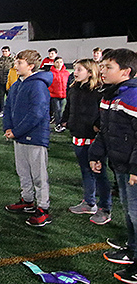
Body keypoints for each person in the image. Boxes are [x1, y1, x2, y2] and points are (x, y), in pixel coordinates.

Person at [88, 48, 137, 282]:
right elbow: (106, 132)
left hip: (132, 168)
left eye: (109, 67)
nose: (102, 71)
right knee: (129, 212)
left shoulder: (133, 96)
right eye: (103, 66)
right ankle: (133, 250)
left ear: (126, 72)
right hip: (121, 165)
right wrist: (96, 154)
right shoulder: (111, 94)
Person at [3, 49, 53, 227]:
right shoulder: (17, 84)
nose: (15, 65)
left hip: (35, 137)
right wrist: (8, 127)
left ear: (31, 66)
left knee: (39, 175)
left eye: (19, 62)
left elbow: (37, 113)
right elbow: (7, 107)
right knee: (22, 171)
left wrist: (16, 131)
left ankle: (43, 209)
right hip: (19, 135)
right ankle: (28, 200)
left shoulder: (38, 84)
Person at [60, 58, 111, 225]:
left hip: (93, 138)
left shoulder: (99, 91)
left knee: (98, 173)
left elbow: (104, 114)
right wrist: (65, 120)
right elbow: (69, 107)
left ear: (90, 72)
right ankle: (89, 202)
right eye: (75, 69)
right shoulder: (74, 88)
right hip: (78, 134)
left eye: (79, 69)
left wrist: (97, 126)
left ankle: (105, 208)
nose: (75, 72)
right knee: (85, 170)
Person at [49, 57, 70, 131]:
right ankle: (58, 124)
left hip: (64, 95)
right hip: (55, 95)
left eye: (61, 62)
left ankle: (62, 124)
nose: (59, 64)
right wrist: (51, 91)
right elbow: (49, 84)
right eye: (57, 62)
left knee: (62, 110)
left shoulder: (66, 73)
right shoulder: (51, 73)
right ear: (54, 63)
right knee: (57, 110)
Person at [0, 46, 14, 118]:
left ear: (9, 52)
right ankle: (1, 110)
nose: (4, 53)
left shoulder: (12, 60)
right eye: (3, 51)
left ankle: (11, 111)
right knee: (0, 96)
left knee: (10, 97)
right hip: (0, 81)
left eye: (6, 51)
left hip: (9, 82)